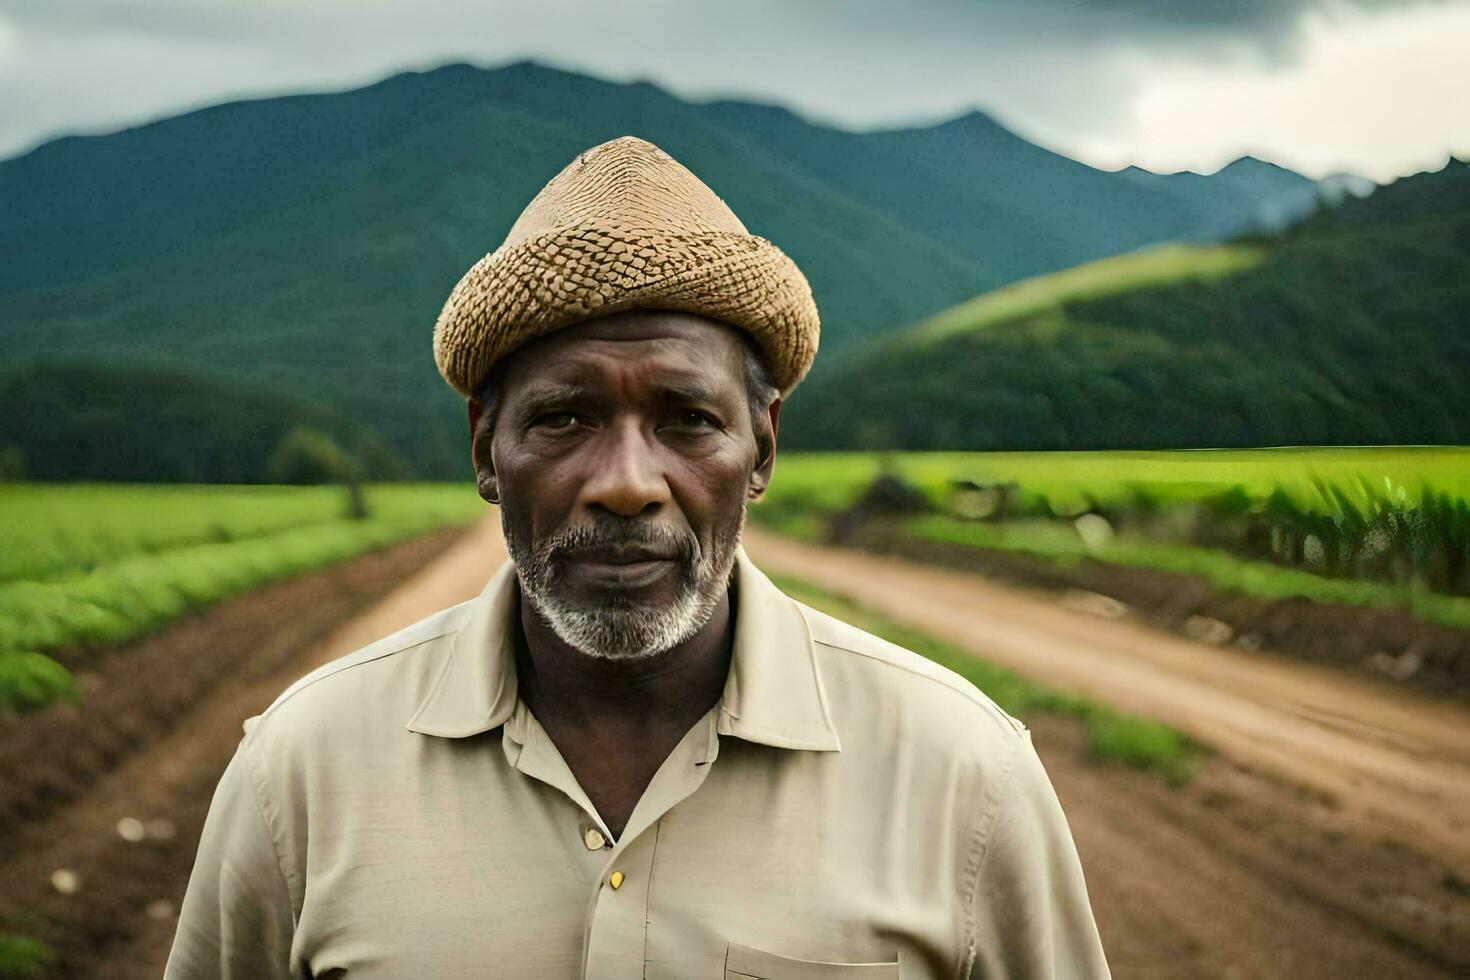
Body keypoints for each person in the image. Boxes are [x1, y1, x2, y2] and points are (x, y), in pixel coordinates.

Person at [165, 135, 1109, 979]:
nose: (625, 483)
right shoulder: (300, 772)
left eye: (688, 420)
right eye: (564, 417)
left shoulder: (964, 776)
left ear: (763, 449)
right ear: (485, 449)